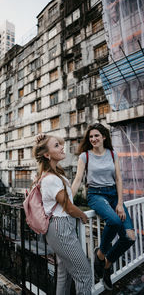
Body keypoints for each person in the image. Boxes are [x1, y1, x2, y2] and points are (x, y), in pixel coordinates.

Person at [72, 123, 135, 291]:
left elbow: (119, 179)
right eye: (91, 136)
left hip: (114, 194)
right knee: (114, 221)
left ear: (104, 137)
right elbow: (78, 180)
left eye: (96, 136)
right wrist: (68, 201)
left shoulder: (113, 154)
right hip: (96, 194)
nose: (93, 139)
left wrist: (120, 203)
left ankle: (106, 264)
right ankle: (100, 254)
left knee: (130, 237)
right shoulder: (85, 156)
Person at [33, 134, 92, 295]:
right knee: (84, 274)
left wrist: (47, 139)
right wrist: (82, 215)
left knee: (64, 274)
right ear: (47, 154)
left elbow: (62, 140)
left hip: (59, 227)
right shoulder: (51, 179)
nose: (62, 147)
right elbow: (68, 206)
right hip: (61, 227)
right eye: (56, 146)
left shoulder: (52, 173)